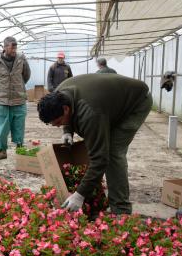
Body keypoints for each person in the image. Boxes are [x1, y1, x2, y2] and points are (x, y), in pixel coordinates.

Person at [37, 74, 152, 215]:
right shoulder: (60, 94)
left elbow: (100, 159)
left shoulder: (90, 113)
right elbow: (72, 112)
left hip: (136, 103)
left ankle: (121, 209)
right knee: (102, 141)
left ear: (66, 109)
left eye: (59, 122)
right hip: (109, 103)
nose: (56, 126)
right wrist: (67, 130)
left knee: (113, 153)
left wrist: (79, 195)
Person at [0, 36, 31, 161]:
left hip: (18, 97)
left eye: (15, 47)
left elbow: (26, 75)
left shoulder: (21, 58)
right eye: (11, 47)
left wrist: (18, 84)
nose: (14, 50)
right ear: (4, 47)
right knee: (2, 126)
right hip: (2, 99)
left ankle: (20, 149)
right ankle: (1, 151)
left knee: (19, 125)